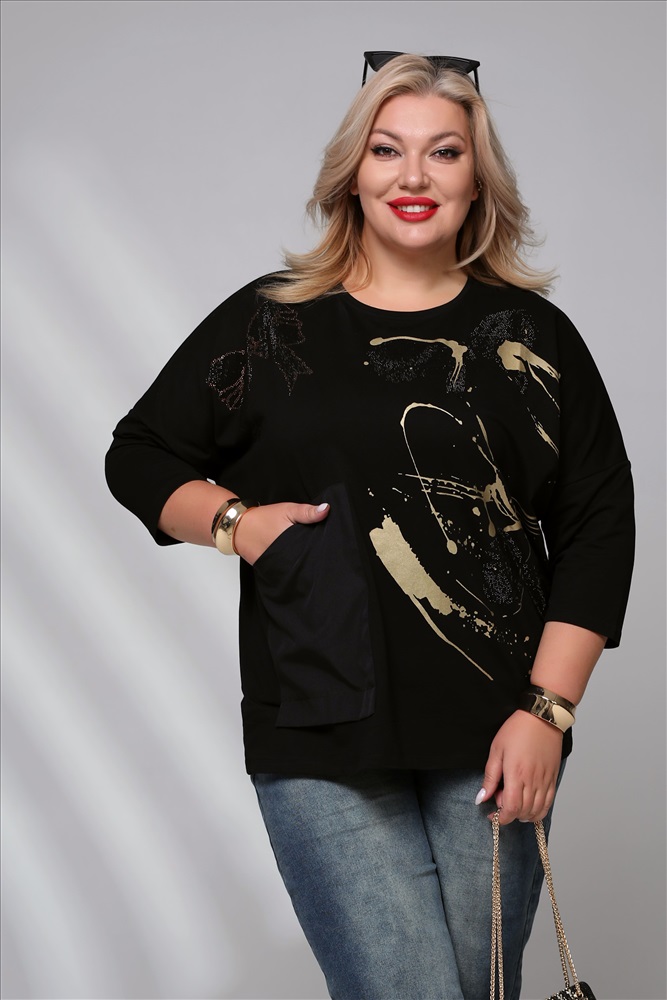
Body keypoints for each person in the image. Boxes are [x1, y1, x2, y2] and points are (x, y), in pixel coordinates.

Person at [106, 52, 634, 1000]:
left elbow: (599, 523)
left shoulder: (532, 338)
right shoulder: (271, 321)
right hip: (319, 723)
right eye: (387, 150)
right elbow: (139, 455)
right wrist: (235, 522)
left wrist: (547, 713)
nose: (412, 176)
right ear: (352, 171)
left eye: (444, 152)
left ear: (478, 179)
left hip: (497, 725)